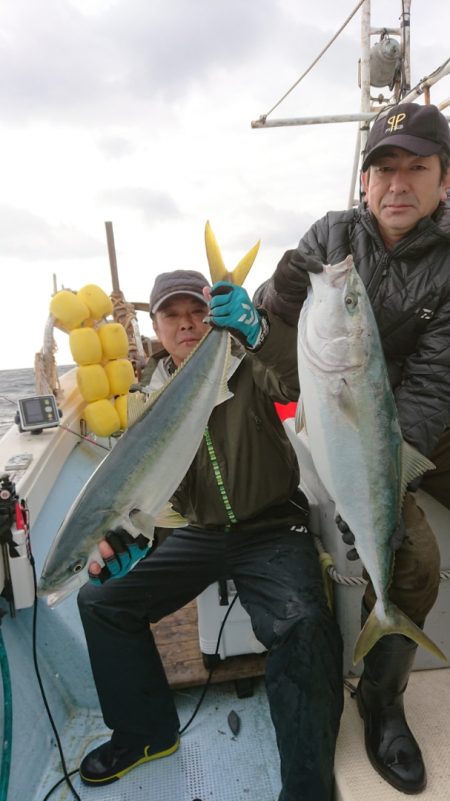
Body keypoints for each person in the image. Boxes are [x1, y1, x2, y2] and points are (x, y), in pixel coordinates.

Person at [77, 268, 344, 801]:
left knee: (304, 624)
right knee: (102, 600)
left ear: (213, 314)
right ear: (154, 325)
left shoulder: (245, 364)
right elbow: (144, 486)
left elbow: (297, 384)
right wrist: (133, 536)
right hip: (198, 532)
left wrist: (259, 331)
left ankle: (305, 784)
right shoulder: (147, 397)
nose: (187, 324)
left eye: (197, 311)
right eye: (171, 315)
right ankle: (146, 732)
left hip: (272, 525)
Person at [255, 101, 450, 794]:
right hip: (346, 413)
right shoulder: (332, 237)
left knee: (391, 509)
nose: (398, 184)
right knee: (414, 558)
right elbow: (268, 325)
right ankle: (382, 696)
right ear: (364, 183)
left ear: (444, 181)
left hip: (416, 423)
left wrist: (380, 480)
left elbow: (433, 387)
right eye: (383, 169)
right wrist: (278, 289)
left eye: (416, 168)